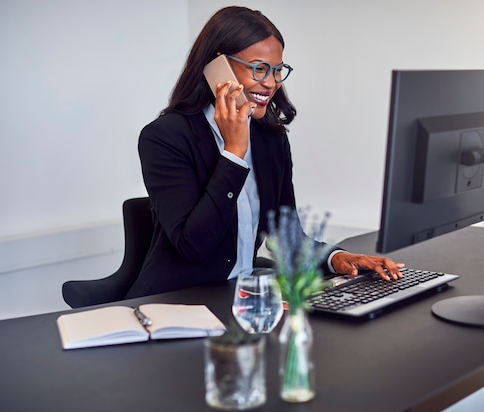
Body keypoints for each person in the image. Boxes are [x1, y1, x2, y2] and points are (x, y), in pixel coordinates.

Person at [125, 6, 403, 299]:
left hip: (240, 297)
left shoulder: (270, 137)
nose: (271, 83)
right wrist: (233, 153)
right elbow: (194, 246)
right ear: (217, 66)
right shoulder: (165, 138)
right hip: (177, 303)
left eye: (277, 70)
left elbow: (285, 237)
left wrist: (338, 259)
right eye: (259, 68)